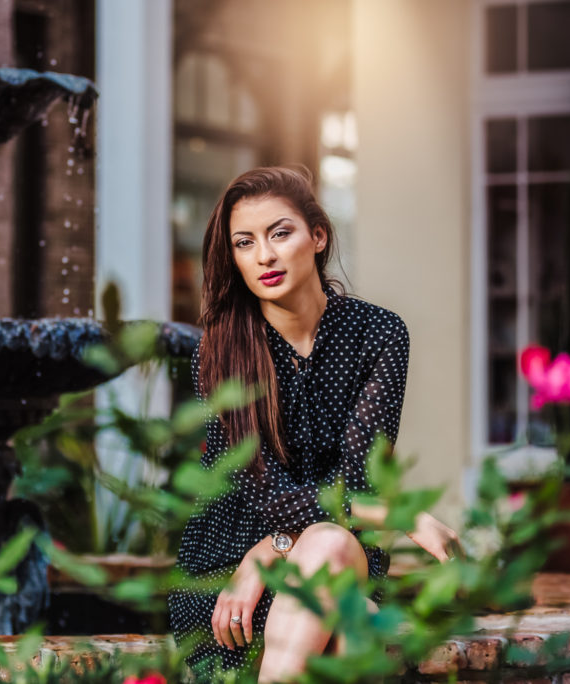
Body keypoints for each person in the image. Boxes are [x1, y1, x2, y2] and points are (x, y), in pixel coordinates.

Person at [166, 166, 460, 683]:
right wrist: (405, 517)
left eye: (280, 233)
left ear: (317, 236)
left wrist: (275, 547)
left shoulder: (379, 334)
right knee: (359, 624)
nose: (264, 256)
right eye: (244, 242)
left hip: (330, 554)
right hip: (231, 575)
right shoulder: (220, 351)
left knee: (329, 546)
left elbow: (360, 475)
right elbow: (266, 494)